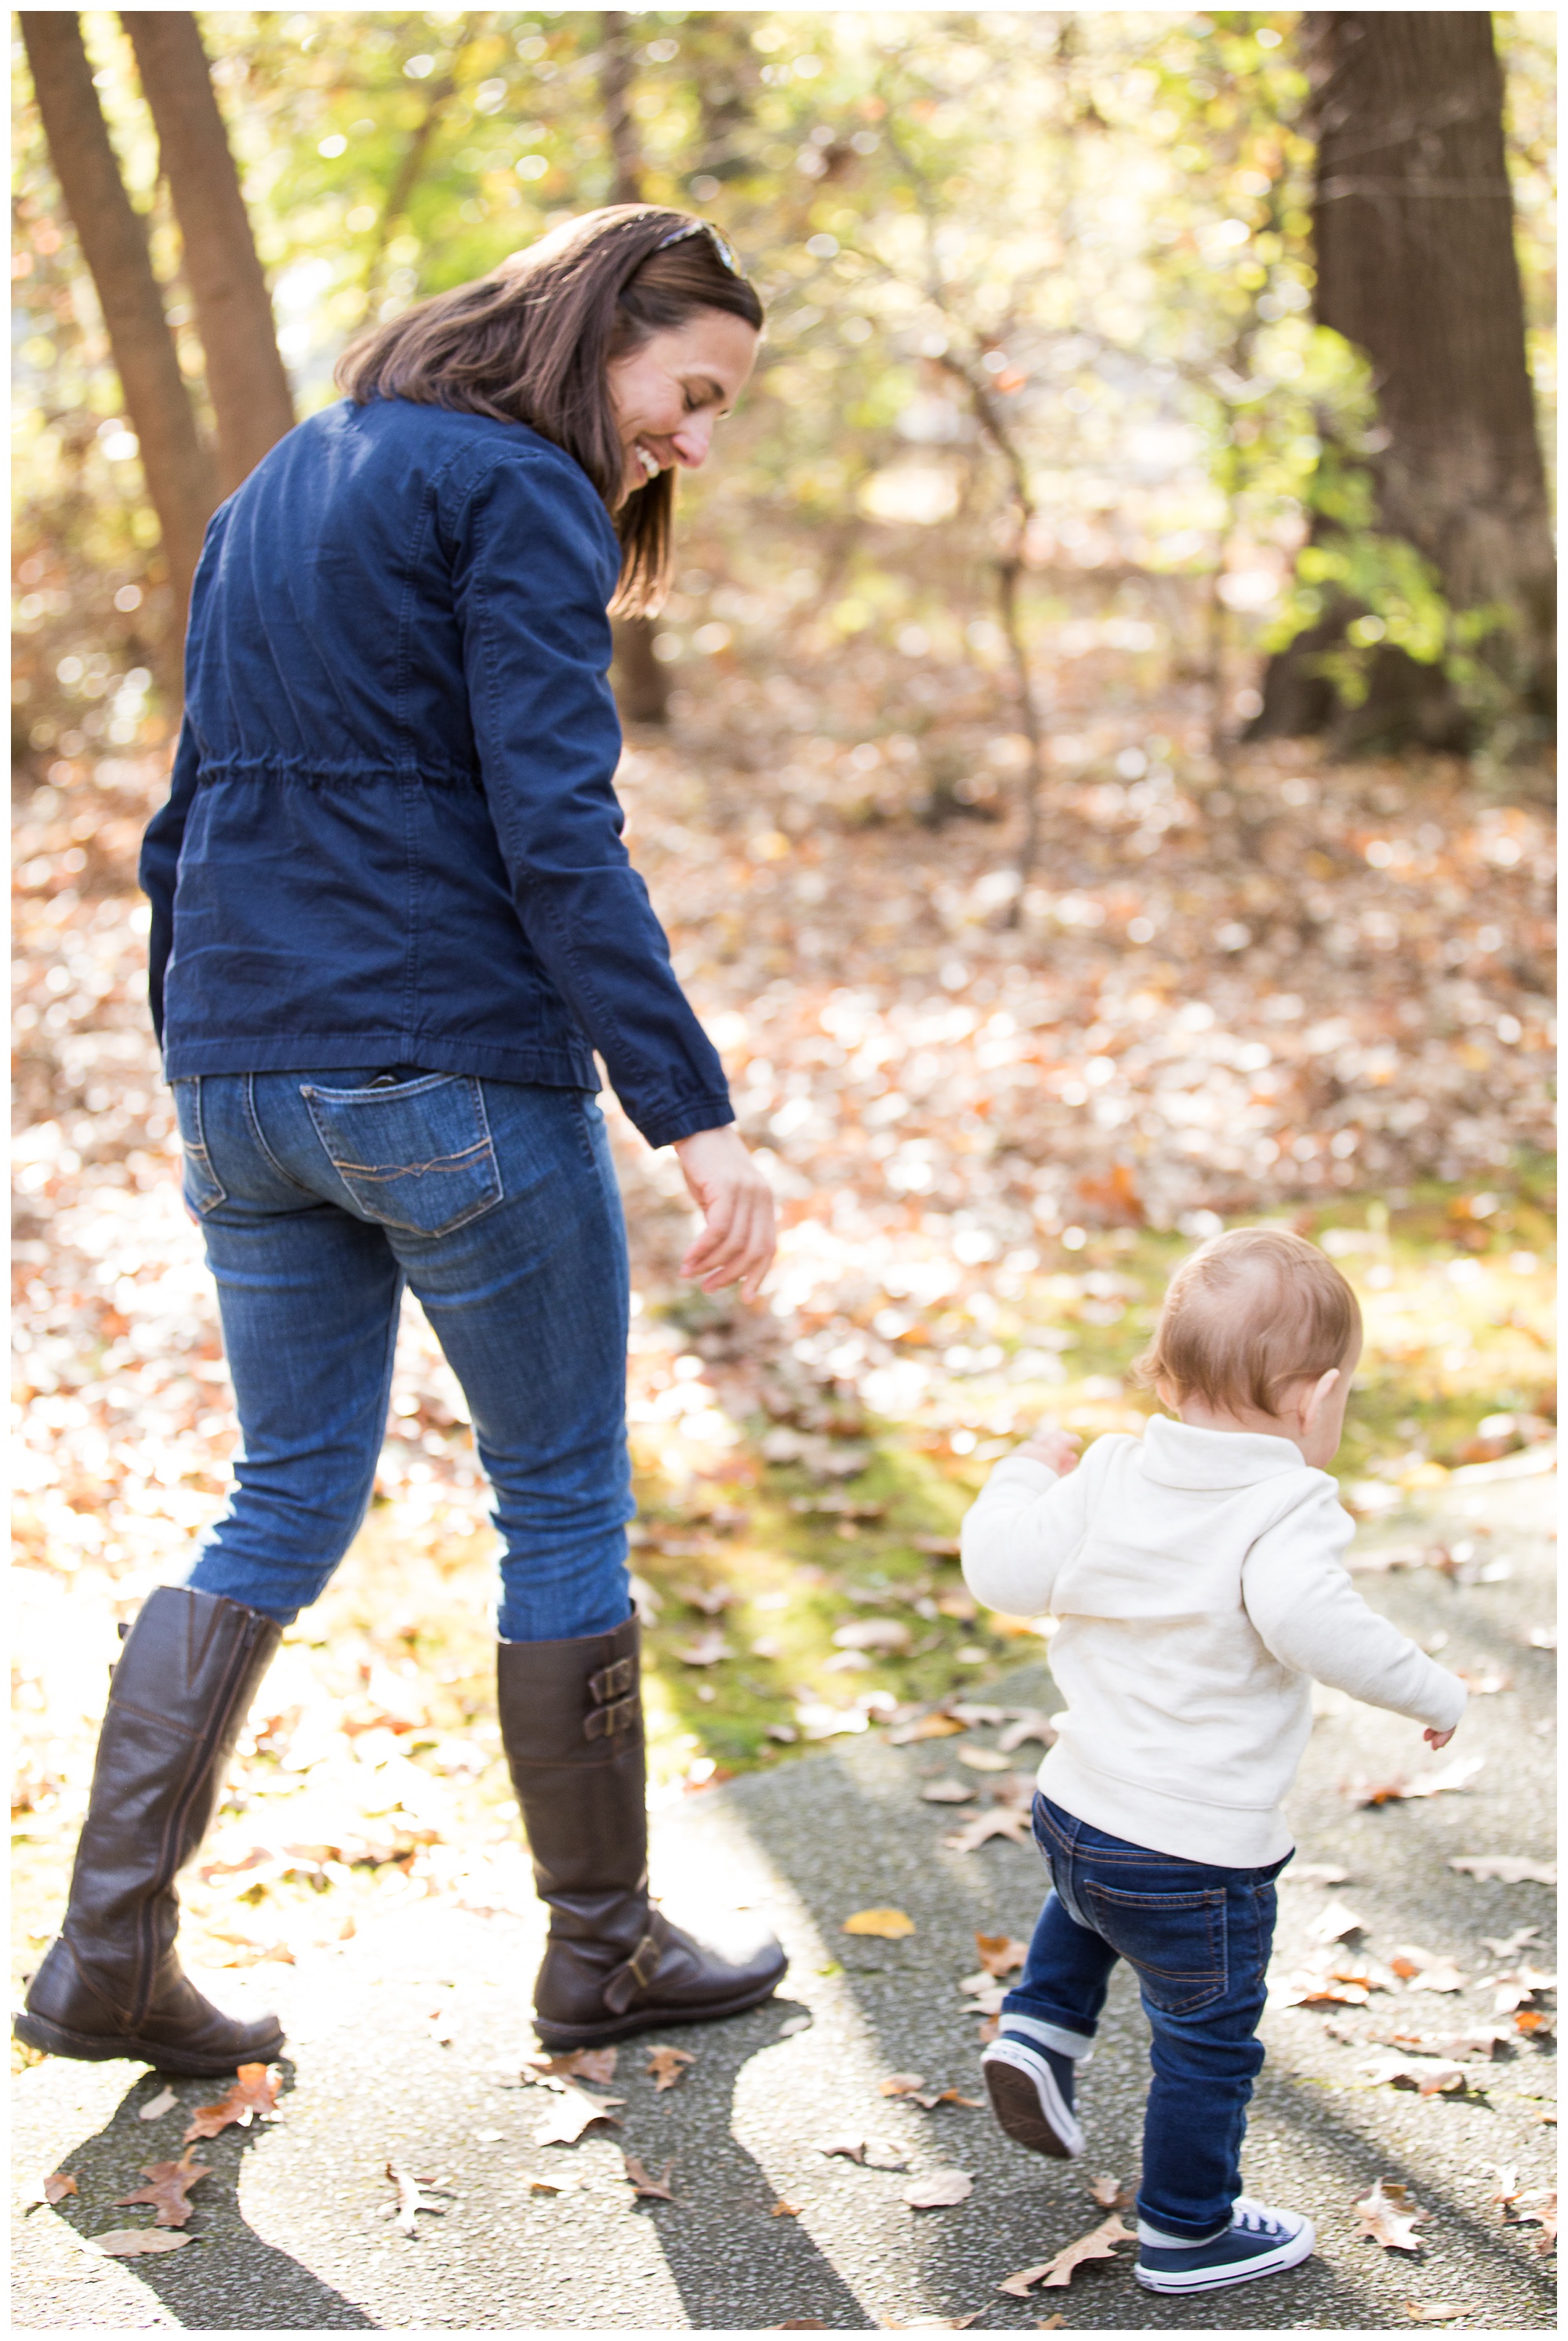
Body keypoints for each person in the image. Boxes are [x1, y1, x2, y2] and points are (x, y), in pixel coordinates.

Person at [16, 208, 789, 2078]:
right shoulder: (519, 491)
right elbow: (556, 826)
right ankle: (597, 1948)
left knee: (283, 1492)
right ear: (605, 329)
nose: (693, 442)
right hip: (446, 1069)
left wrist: (208, 1051)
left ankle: (107, 1952)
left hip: (242, 1066)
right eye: (690, 395)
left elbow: (187, 806)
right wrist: (691, 1103)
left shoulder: (288, 476)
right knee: (562, 1499)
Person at [960, 1226, 1467, 2297]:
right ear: (1316, 1398)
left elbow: (1003, 1567)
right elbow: (1310, 1618)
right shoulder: (1284, 1504)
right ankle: (1190, 2226)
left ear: (1165, 1371)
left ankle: (1041, 2030)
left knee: (1093, 1899)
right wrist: (1432, 1687)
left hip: (1071, 1813)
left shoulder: (1108, 1470)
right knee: (1206, 2040)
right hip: (1197, 1860)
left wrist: (1017, 1473)